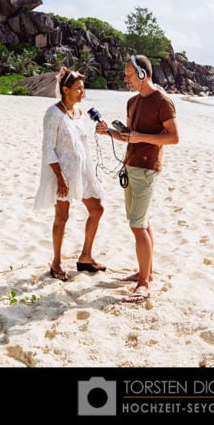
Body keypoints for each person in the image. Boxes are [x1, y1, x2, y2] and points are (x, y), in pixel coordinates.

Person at [95, 54, 179, 303]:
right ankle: (147, 272)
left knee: (137, 225)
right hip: (130, 167)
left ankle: (144, 283)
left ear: (143, 73)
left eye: (129, 74)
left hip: (147, 169)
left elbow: (173, 137)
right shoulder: (132, 102)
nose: (125, 78)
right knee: (141, 221)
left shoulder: (163, 102)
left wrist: (141, 137)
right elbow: (129, 135)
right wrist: (109, 132)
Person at [34, 67, 106, 281]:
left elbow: (79, 143)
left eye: (83, 89)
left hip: (82, 172)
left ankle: (85, 257)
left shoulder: (79, 113)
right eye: (77, 89)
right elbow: (48, 148)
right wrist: (60, 177)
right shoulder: (53, 113)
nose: (82, 93)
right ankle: (55, 263)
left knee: (97, 209)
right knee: (62, 217)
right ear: (65, 90)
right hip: (62, 173)